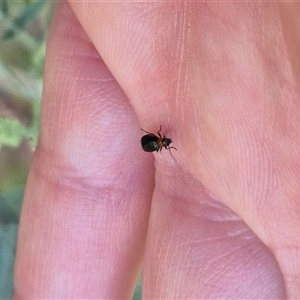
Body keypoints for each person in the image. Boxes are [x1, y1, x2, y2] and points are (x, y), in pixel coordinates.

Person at [14, 1, 300, 299]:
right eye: (165, 141)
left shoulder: (159, 139)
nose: (165, 141)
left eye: (163, 142)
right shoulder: (159, 140)